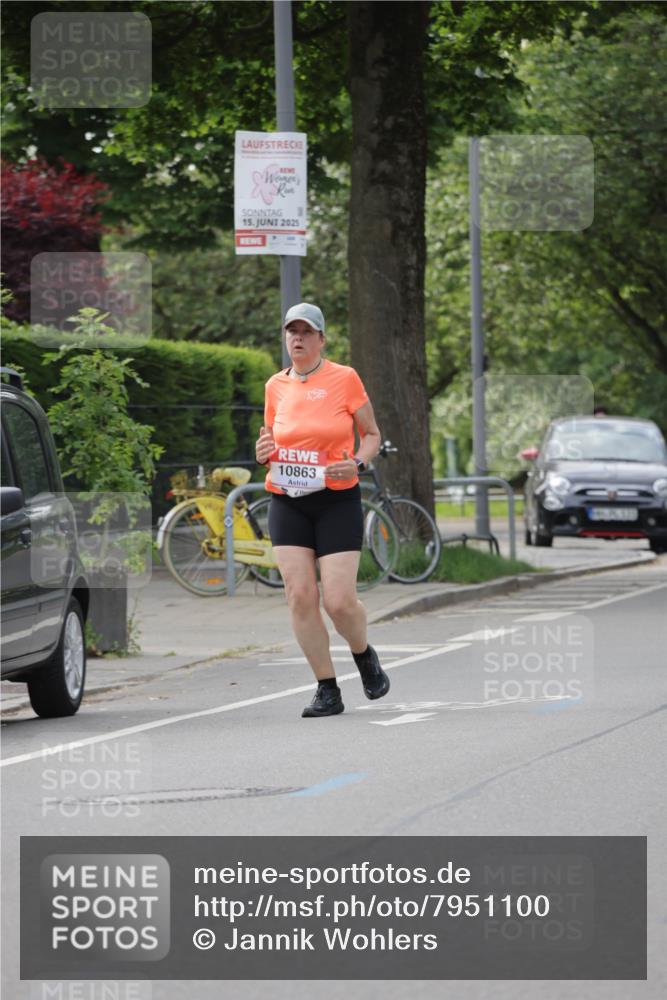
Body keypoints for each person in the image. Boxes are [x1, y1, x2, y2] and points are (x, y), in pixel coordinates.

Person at [255, 302, 390, 718]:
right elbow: (270, 440)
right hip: (287, 499)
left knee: (338, 601)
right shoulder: (275, 385)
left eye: (306, 331)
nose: (297, 338)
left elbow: (371, 435)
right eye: (291, 331)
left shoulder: (344, 379)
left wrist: (360, 461)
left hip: (336, 498)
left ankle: (363, 654)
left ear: (321, 339)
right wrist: (263, 451)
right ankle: (326, 688)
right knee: (299, 596)